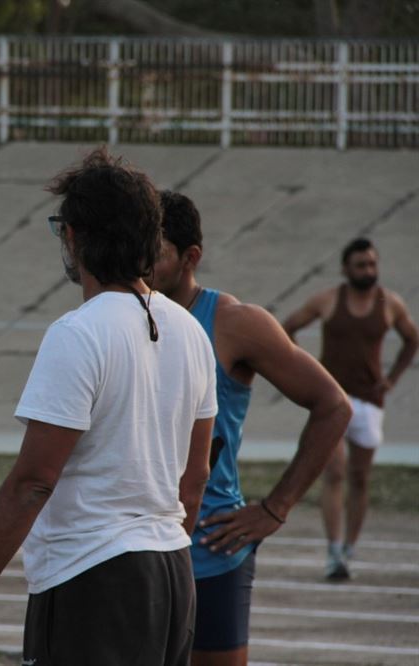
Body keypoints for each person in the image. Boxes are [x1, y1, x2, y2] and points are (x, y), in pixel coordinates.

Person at [0, 148, 218, 666]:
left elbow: (34, 481)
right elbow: (195, 477)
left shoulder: (78, 333)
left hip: (94, 576)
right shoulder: (191, 330)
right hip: (172, 569)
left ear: (73, 237)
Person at [151, 191, 352, 666]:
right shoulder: (124, 316)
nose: (139, 264)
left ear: (190, 257)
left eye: (154, 253)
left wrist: (275, 508)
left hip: (210, 546)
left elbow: (333, 406)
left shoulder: (234, 323)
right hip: (134, 544)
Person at [283, 238, 417, 580]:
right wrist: (308, 373)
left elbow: (412, 339)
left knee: (359, 477)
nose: (368, 270)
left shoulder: (390, 303)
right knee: (335, 472)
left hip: (371, 401)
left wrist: (392, 378)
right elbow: (288, 327)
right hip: (333, 401)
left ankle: (349, 548)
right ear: (345, 269)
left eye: (372, 264)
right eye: (360, 265)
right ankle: (333, 551)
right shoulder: (328, 299)